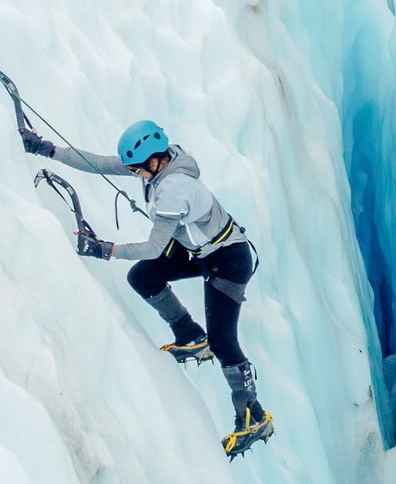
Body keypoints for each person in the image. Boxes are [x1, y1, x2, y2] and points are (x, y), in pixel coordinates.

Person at [23, 120, 274, 457]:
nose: (135, 174)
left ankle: (254, 418)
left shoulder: (174, 190)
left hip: (228, 259)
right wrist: (47, 149)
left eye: (138, 169)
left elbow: (154, 248)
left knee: (224, 341)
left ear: (156, 161)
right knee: (143, 278)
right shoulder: (159, 164)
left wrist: (107, 250)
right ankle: (189, 335)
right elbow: (99, 163)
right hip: (199, 251)